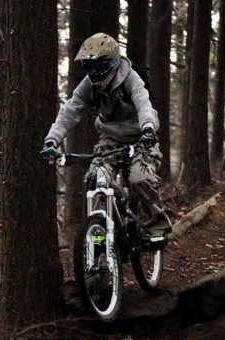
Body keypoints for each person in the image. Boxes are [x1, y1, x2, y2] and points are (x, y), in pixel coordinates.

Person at [41, 32, 172, 235]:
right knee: (94, 179)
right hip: (110, 139)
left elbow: (143, 102)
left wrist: (148, 128)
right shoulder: (89, 84)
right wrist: (52, 141)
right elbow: (70, 110)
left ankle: (158, 226)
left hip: (141, 138)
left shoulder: (130, 78)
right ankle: (101, 230)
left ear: (113, 63)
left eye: (100, 67)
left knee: (141, 179)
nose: (95, 74)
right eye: (90, 68)